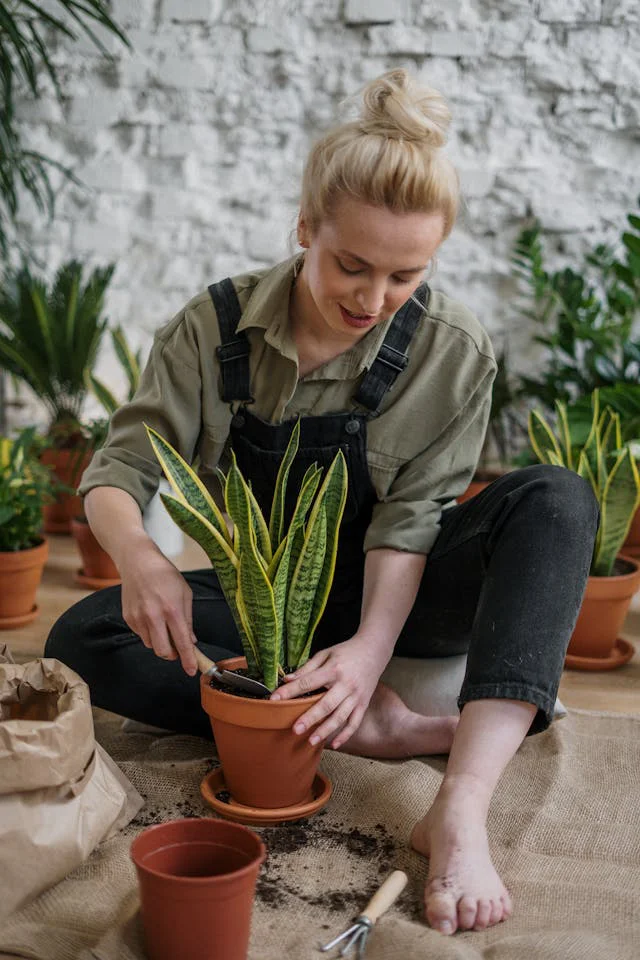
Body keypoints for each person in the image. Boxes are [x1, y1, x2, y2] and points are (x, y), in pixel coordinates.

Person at [45, 68, 598, 936]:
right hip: (269, 619)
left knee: (560, 499)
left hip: (404, 596)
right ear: (304, 228)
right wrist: (144, 559)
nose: (372, 301)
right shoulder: (211, 328)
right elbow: (119, 468)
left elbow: (412, 524)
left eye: (405, 276)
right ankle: (387, 729)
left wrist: (372, 651)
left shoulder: (455, 353)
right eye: (350, 264)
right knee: (83, 635)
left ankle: (459, 803)